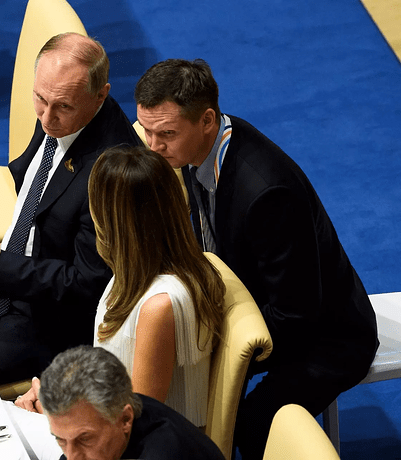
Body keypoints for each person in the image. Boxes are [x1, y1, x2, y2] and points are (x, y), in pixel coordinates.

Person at [134, 58, 379, 460]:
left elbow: (296, 315)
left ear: (207, 120)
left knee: (249, 424)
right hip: (259, 307)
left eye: (166, 134)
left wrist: (219, 357)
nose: (153, 146)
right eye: (147, 130)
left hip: (328, 338)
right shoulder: (199, 149)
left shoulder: (266, 193)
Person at [0, 33, 141, 385]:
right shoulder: (60, 111)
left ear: (100, 95)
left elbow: (87, 286)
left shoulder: (113, 174)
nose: (46, 118)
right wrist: (3, 263)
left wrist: (0, 265)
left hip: (51, 320)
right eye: (40, 99)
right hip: (13, 272)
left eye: (63, 106)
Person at [16, 145, 225, 428]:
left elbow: (137, 422)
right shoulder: (131, 273)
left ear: (111, 221)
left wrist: (57, 413)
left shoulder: (159, 306)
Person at [39, 345, 226, 460]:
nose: (71, 457)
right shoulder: (118, 405)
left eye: (85, 439)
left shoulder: (164, 452)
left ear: (125, 419)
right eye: (60, 439)